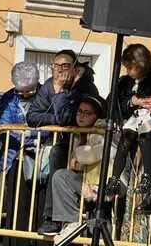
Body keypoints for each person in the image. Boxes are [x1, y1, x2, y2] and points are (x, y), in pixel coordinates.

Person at [28, 49, 100, 231]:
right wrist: (53, 119)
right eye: (56, 66)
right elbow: (32, 116)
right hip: (63, 141)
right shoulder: (48, 86)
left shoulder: (86, 87)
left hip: (85, 143)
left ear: (75, 68)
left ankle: (56, 217)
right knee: (57, 152)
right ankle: (51, 217)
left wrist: (59, 92)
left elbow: (67, 118)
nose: (59, 70)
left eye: (65, 66)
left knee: (58, 153)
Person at [104, 43, 151, 215]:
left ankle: (148, 177)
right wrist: (131, 102)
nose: (129, 71)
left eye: (132, 68)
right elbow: (113, 103)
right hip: (134, 118)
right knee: (125, 141)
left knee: (145, 139)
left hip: (150, 118)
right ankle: (114, 179)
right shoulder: (124, 82)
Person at [37, 95, 107, 238]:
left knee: (62, 176)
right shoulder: (76, 133)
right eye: (80, 111)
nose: (82, 116)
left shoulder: (101, 129)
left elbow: (97, 153)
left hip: (100, 183)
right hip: (83, 180)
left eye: (88, 113)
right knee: (60, 176)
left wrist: (77, 156)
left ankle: (72, 222)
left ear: (97, 115)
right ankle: (70, 222)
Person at [0, 62, 41, 246]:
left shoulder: (45, 95)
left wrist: (29, 134)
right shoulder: (8, 97)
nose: (24, 95)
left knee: (33, 206)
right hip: (12, 158)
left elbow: (47, 126)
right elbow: (3, 126)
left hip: (37, 159)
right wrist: (23, 133)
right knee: (14, 206)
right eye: (21, 91)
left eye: (29, 91)